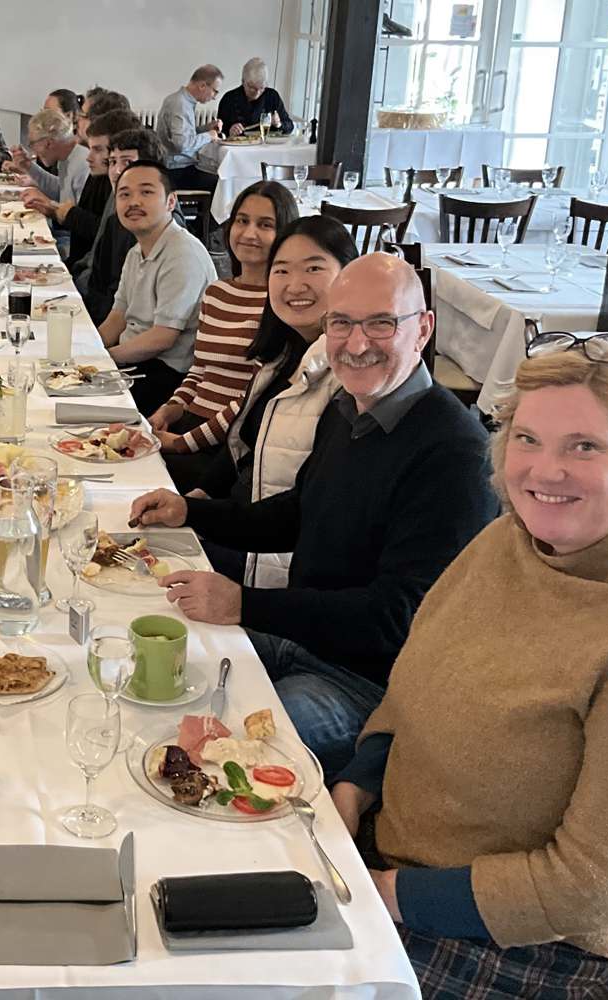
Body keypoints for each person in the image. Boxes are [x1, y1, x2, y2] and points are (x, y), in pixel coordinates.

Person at [334, 339, 608, 999]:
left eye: (585, 446)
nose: (545, 471)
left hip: (551, 945)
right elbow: (413, 689)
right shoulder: (508, 540)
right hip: (403, 861)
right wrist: (357, 784)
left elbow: (592, 885)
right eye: (528, 438)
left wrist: (388, 895)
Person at [129, 254, 499, 777]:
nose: (355, 343)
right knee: (151, 671)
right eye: (341, 322)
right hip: (303, 639)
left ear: (423, 329)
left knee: (216, 762)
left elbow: (397, 620)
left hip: (369, 683)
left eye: (381, 322)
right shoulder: (350, 409)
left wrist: (246, 603)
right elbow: (302, 512)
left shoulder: (454, 454)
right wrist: (191, 510)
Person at [186, 216, 359, 585]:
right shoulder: (280, 356)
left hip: (271, 564)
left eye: (314, 268)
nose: (295, 285)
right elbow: (241, 446)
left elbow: (306, 513)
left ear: (349, 276)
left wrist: (197, 516)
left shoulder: (349, 379)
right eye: (281, 270)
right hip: (238, 529)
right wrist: (194, 501)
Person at [148, 181, 298, 487]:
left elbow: (251, 399)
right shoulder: (217, 292)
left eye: (265, 225)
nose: (249, 233)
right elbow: (200, 370)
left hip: (229, 444)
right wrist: (172, 408)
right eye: (242, 221)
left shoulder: (281, 303)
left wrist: (182, 443)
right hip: (191, 426)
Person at [96, 160, 215, 414]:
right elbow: (117, 317)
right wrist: (87, 352)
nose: (134, 202)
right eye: (124, 194)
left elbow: (163, 337)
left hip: (168, 374)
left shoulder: (182, 253)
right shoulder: (136, 251)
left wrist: (104, 359)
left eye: (146, 192)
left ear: (171, 202)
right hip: (134, 361)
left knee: (81, 409)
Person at [80, 127, 173, 323]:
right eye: (112, 162)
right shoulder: (118, 219)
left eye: (127, 162)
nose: (117, 171)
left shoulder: (166, 232)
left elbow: (162, 329)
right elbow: (101, 283)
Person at [54, 108, 141, 273]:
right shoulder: (99, 177)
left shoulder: (121, 187)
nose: (89, 157)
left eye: (98, 150)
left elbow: (104, 238)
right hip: (83, 269)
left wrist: (70, 214)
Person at [157, 65, 225, 192]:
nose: (215, 97)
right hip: (176, 170)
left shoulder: (181, 100)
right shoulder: (180, 104)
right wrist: (209, 135)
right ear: (202, 86)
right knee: (220, 184)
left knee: (217, 175)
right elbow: (182, 145)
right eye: (215, 91)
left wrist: (206, 128)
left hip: (178, 165)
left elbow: (185, 135)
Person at [13, 108, 90, 214]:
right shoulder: (66, 157)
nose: (32, 150)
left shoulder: (83, 164)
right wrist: (28, 166)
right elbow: (60, 191)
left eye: (32, 144)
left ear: (48, 143)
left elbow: (79, 219)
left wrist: (49, 205)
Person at [219, 58, 294, 137]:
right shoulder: (228, 99)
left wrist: (278, 124)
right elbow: (218, 133)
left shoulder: (272, 96)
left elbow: (290, 126)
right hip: (239, 147)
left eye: (261, 88)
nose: (257, 93)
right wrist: (229, 132)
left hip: (266, 147)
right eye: (252, 88)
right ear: (243, 82)